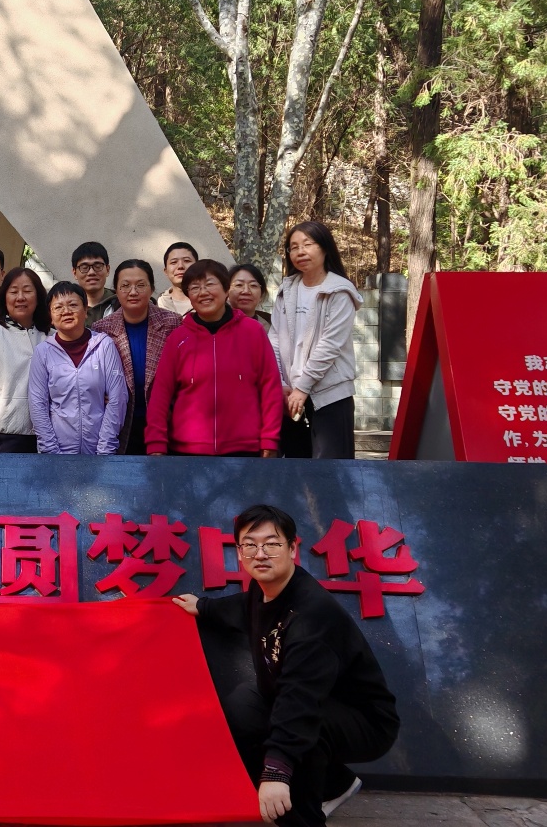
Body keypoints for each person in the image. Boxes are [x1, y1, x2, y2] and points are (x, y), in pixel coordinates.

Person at [173, 504, 399, 826]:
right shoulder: (264, 589)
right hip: (310, 703)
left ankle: (301, 817)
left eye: (272, 544)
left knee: (303, 728)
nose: (260, 554)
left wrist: (276, 771)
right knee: (242, 706)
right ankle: (336, 784)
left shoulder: (312, 617)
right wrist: (204, 607)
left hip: (364, 722)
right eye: (250, 545)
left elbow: (300, 698)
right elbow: (243, 606)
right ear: (239, 551)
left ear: (292, 548)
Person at [145, 259, 282, 457]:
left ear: (226, 290)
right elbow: (160, 395)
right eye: (195, 288)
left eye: (210, 284)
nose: (203, 292)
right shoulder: (178, 338)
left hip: (244, 449)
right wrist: (155, 444)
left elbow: (270, 388)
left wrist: (270, 439)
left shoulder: (253, 332)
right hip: (187, 451)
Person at [271, 221, 362, 460]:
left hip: (330, 393)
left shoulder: (340, 291)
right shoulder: (286, 290)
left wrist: (302, 388)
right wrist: (281, 382)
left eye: (307, 244)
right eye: (294, 247)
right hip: (290, 394)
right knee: (296, 464)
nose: (300, 252)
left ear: (325, 248)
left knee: (332, 467)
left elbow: (329, 346)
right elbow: (275, 338)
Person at [91, 260, 182, 455]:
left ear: (152, 289)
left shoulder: (172, 323)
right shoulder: (101, 329)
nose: (133, 292)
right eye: (125, 286)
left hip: (165, 421)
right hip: (121, 423)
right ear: (116, 291)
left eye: (141, 285)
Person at [28, 281, 127, 454]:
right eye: (58, 307)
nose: (66, 311)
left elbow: (117, 398)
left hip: (100, 450)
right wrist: (51, 451)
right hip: (57, 452)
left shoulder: (104, 345)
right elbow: (38, 404)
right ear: (50, 316)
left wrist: (105, 449)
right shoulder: (43, 352)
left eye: (73, 305)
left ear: (85, 310)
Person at [0, 268, 51, 454]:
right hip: (5, 436)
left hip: (50, 436)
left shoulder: (52, 336)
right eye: (13, 292)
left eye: (27, 291)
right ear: (4, 297)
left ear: (38, 297)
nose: (20, 297)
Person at [71, 241, 119, 324]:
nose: (91, 272)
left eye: (98, 266)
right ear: (75, 273)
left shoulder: (121, 305)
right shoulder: (66, 308)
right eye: (84, 267)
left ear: (107, 270)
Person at [229, 263, 273, 336]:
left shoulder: (270, 329)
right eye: (239, 285)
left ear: (262, 294)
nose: (246, 291)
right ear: (226, 291)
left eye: (253, 285)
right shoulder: (216, 324)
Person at [157, 242, 198, 317]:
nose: (180, 266)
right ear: (166, 271)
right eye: (174, 262)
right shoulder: (158, 305)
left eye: (187, 261)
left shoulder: (207, 301)